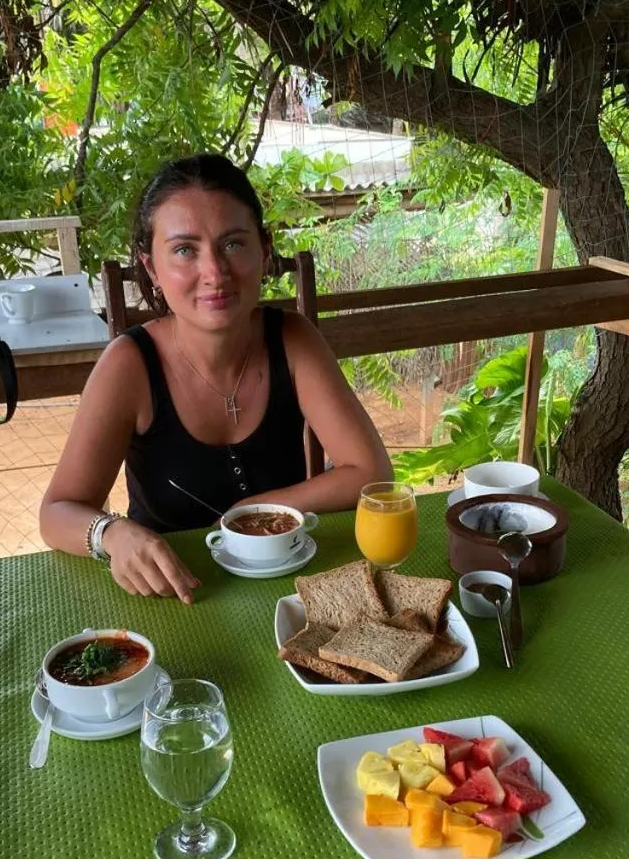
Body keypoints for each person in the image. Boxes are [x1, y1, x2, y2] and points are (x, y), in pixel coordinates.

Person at [40, 153, 393, 603]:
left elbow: (371, 472)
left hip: (287, 588)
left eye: (233, 244)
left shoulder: (293, 339)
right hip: (171, 593)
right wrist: (111, 534)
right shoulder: (129, 364)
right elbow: (56, 513)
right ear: (151, 268)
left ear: (264, 250)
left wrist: (253, 510)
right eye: (185, 250)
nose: (214, 273)